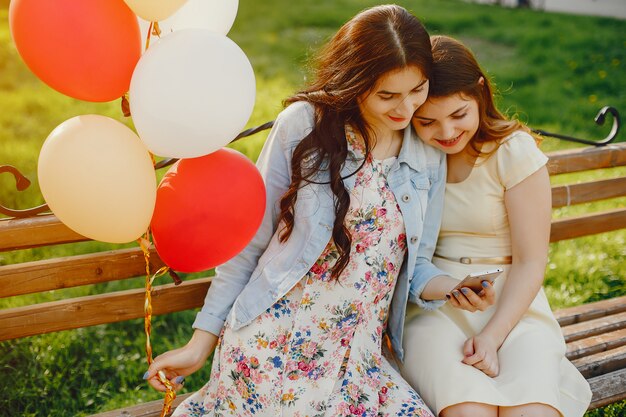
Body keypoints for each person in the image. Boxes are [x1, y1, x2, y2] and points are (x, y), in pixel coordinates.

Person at [144, 7, 494, 417]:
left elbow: (413, 267)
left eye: (417, 89)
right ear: (355, 81)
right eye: (387, 95)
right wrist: (200, 342)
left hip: (359, 360)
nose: (406, 109)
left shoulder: (426, 154)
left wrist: (453, 286)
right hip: (275, 347)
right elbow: (250, 243)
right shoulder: (305, 126)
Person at [402, 35, 592, 417]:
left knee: (530, 411)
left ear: (481, 93)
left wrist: (491, 336)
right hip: (436, 302)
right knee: (467, 410)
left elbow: (530, 262)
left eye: (459, 114)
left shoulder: (513, 152)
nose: (446, 132)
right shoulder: (414, 158)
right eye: (428, 121)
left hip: (513, 303)